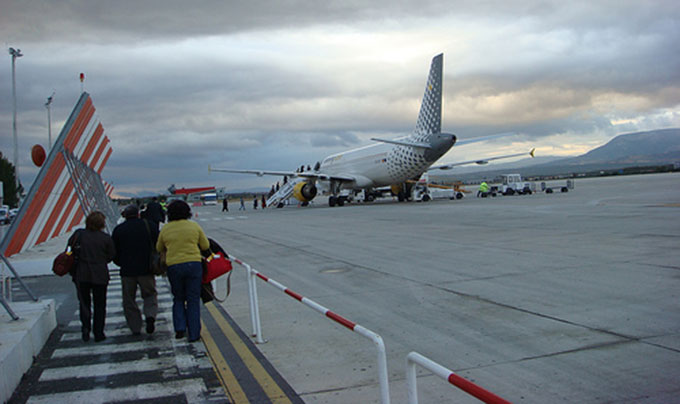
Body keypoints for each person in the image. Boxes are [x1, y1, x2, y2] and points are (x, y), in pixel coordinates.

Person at [156, 200, 209, 342]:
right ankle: (194, 333)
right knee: (193, 299)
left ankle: (179, 328)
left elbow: (159, 248)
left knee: (178, 298)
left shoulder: (166, 229)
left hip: (174, 266)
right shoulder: (193, 226)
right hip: (193, 264)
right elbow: (205, 245)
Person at [69, 211, 115, 342]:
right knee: (100, 305)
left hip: (81, 275)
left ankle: (85, 328)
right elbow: (112, 255)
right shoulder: (105, 238)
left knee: (84, 303)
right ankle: (98, 332)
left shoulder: (78, 235)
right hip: (100, 275)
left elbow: (68, 250)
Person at [112, 205, 158, 336]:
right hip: (146, 269)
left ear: (124, 215)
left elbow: (114, 251)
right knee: (149, 295)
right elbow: (158, 244)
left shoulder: (119, 230)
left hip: (127, 270)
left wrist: (120, 263)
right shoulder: (149, 225)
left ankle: (135, 327)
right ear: (138, 214)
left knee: (129, 300)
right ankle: (150, 316)